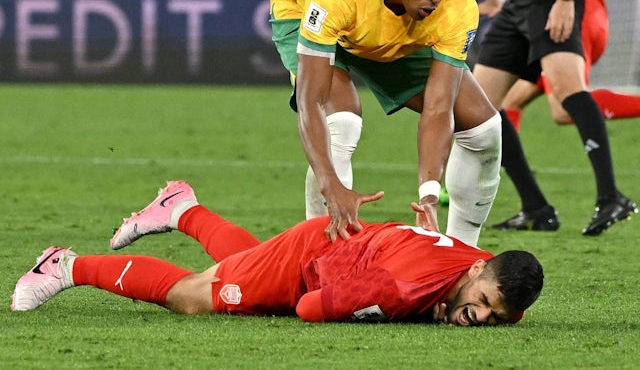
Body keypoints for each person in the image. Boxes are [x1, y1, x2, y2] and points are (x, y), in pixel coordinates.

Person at [269, 0, 502, 247]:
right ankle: (320, 260)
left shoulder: (457, 7)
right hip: (303, 13)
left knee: (484, 129)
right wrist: (330, 184)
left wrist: (429, 194)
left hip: (385, 35)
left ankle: (460, 258)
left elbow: (439, 108)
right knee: (342, 121)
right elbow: (312, 101)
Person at [11, 181, 543, 325]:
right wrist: (382, 308)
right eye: (484, 301)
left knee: (239, 268)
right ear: (477, 270)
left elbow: (483, 288)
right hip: (309, 266)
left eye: (496, 314)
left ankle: (181, 208)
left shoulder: (489, 270)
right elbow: (311, 309)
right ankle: (64, 265)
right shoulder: (401, 288)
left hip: (338, 245)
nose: (485, 315)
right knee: (195, 296)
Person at [465, 0, 637, 236]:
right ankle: (536, 207)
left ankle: (611, 197)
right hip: (520, 0)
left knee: (568, 95)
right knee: (478, 107)